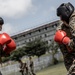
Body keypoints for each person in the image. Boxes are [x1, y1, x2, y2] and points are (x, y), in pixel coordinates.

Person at [54, 2, 75, 75]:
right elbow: (67, 56)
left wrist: (67, 41)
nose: (60, 19)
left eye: (61, 16)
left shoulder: (73, 21)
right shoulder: (61, 27)